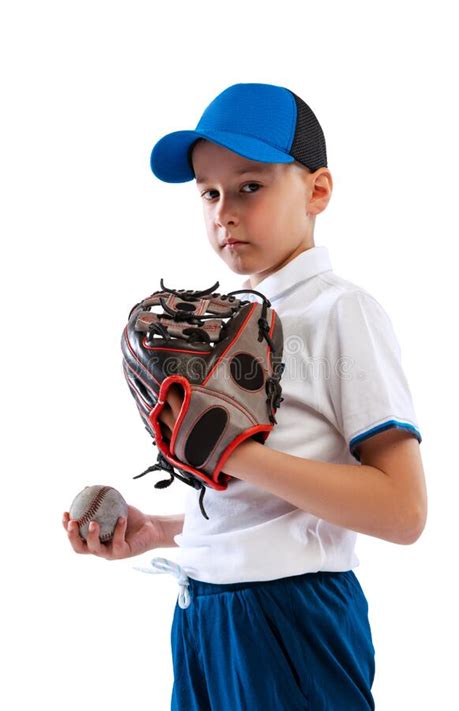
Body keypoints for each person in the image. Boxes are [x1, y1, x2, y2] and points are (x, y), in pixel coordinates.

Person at [63, 82, 428, 710]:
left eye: (249, 186)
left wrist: (232, 454)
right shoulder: (230, 325)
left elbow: (403, 511)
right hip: (202, 614)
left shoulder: (343, 312)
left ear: (317, 191)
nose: (223, 211)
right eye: (209, 192)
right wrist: (161, 530)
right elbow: (271, 515)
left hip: (292, 621)